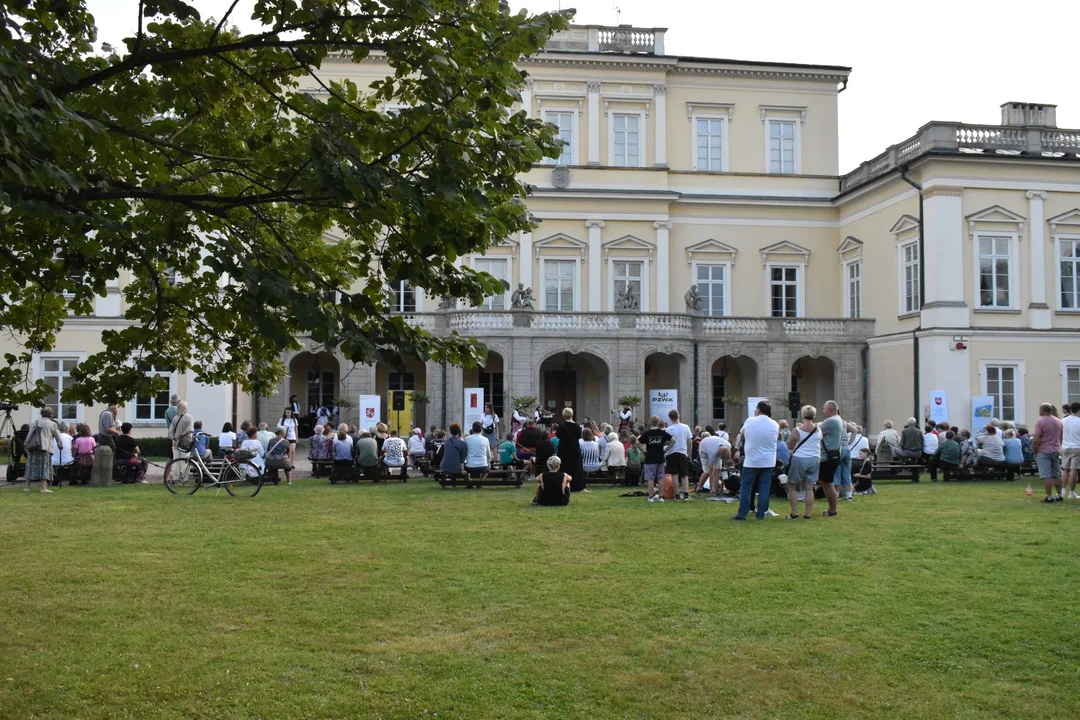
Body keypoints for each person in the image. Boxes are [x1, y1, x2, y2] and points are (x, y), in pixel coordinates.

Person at [735, 400, 780, 521]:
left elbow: (742, 434)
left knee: (746, 487)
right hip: (768, 461)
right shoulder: (775, 424)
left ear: (759, 410)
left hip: (752, 460)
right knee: (764, 487)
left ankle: (743, 513)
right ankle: (761, 514)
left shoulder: (750, 421)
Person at [783, 405, 821, 520]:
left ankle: (794, 513)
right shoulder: (819, 429)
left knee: (791, 485)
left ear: (803, 415)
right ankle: (808, 513)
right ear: (814, 415)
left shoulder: (797, 430)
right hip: (815, 458)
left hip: (800, 458)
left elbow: (790, 446)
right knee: (809, 487)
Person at [24, 407, 64, 492]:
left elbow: (30, 434)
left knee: (31, 466)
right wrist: (60, 444)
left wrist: (26, 443)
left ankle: (27, 487)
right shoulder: (52, 424)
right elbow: (58, 436)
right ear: (51, 414)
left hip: (34, 447)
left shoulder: (36, 421)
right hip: (45, 448)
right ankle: (43, 488)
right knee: (44, 467)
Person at [1032, 402, 1064, 503]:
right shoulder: (1059, 421)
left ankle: (1049, 497)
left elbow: (1036, 438)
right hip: (1055, 449)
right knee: (1056, 474)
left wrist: (1035, 448)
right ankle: (1059, 495)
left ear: (1042, 410)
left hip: (1044, 450)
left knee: (1046, 475)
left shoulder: (1040, 422)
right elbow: (1061, 437)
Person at [818, 400, 844, 517]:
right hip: (832, 455)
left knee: (827, 483)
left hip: (827, 457)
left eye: (824, 409)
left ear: (830, 410)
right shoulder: (838, 420)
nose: (823, 411)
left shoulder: (831, 421)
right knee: (826, 482)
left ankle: (832, 510)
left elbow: (816, 430)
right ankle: (831, 509)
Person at [639, 415, 671, 502]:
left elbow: (637, 442)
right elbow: (673, 440)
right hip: (660, 457)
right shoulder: (662, 433)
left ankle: (650, 497)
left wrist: (643, 451)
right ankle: (661, 497)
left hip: (649, 457)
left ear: (650, 422)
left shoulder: (647, 433)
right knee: (661, 477)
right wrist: (666, 449)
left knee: (650, 478)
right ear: (658, 422)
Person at [664, 409, 694, 502]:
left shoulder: (669, 429)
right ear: (679, 415)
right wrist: (689, 453)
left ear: (670, 418)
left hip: (672, 453)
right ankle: (686, 495)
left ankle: (676, 495)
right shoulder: (686, 427)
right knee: (684, 475)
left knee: (674, 475)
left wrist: (666, 450)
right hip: (683, 452)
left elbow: (667, 442)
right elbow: (689, 441)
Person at [555, 407, 585, 492]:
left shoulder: (562, 425)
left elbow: (558, 435)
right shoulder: (577, 426)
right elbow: (579, 436)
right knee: (576, 466)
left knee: (564, 466)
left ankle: (564, 483)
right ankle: (577, 485)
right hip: (574, 448)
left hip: (564, 448)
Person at [696, 430, 723, 496]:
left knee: (718, 469)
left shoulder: (727, 446)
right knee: (707, 472)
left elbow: (717, 472)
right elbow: (711, 473)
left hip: (717, 449)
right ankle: (699, 488)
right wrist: (711, 489)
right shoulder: (712, 453)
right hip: (704, 452)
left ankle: (715, 489)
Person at [1063, 402, 1080, 500]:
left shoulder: (1063, 421)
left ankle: (1063, 490)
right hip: (1077, 447)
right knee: (1074, 470)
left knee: (1065, 469)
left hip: (1065, 447)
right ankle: (1072, 492)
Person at [163, 394, 179, 459]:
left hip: (170, 435)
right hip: (178, 436)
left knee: (170, 457)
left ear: (170, 402)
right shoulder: (178, 411)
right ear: (178, 402)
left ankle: (167, 469)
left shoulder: (166, 411)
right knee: (178, 457)